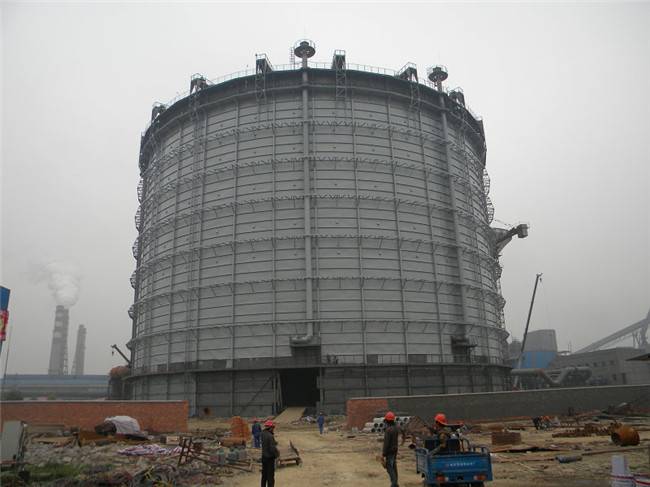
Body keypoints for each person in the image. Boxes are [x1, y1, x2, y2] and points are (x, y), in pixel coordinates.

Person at [382, 411, 400, 487]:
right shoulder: (396, 429)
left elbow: (386, 443)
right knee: (394, 467)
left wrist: (383, 454)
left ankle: (394, 484)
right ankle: (396, 484)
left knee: (389, 468)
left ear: (387, 421)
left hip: (389, 451)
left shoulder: (388, 430)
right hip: (395, 450)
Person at [261, 419, 279, 487]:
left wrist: (274, 442)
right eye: (273, 428)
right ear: (270, 428)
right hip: (269, 459)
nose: (273, 429)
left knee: (264, 475)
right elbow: (272, 449)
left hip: (264, 457)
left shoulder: (262, 434)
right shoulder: (270, 436)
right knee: (270, 476)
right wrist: (277, 454)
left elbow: (266, 442)